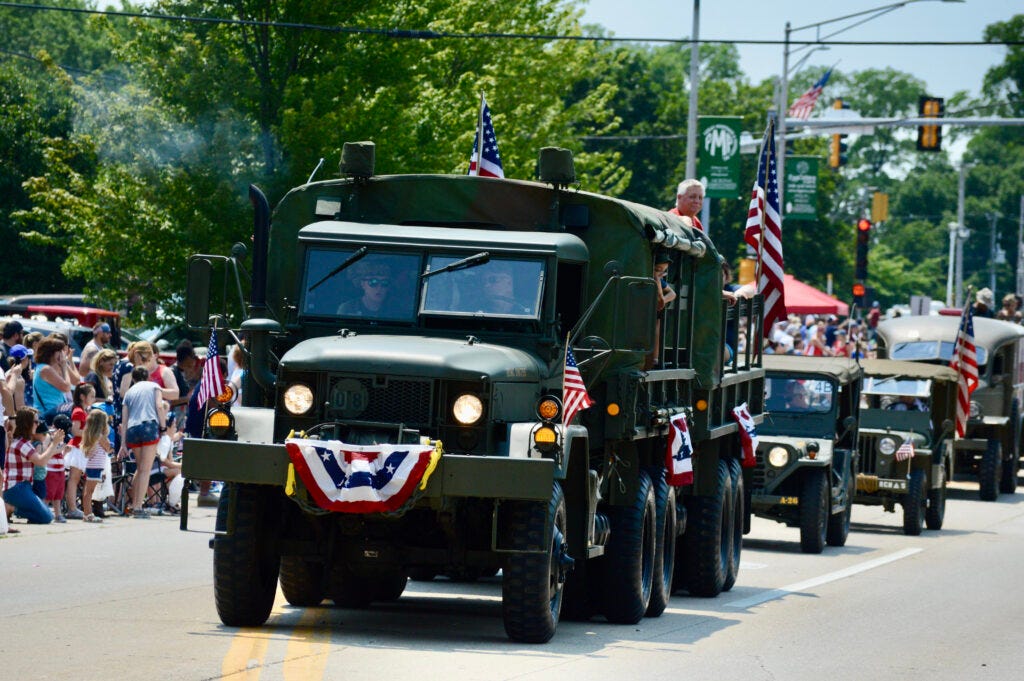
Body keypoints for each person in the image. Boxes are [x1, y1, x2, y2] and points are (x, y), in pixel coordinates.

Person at [3, 407, 65, 524]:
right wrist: (54, 444)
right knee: (46, 517)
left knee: (45, 515)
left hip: (20, 487)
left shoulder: (22, 442)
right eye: (36, 422)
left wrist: (54, 446)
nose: (38, 424)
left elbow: (41, 460)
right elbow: (41, 462)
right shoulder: (22, 443)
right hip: (17, 488)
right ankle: (11, 507)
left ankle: (12, 507)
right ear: (27, 423)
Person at [119, 366, 166, 518]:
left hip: (133, 429)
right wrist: (163, 427)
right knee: (146, 469)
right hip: (148, 425)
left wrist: (123, 444)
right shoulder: (154, 386)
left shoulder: (129, 393)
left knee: (140, 469)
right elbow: (159, 406)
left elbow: (124, 420)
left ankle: (132, 503)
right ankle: (138, 507)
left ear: (133, 378)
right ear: (148, 377)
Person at [64, 383, 95, 520]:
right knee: (73, 479)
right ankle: (72, 508)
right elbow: (75, 430)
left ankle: (73, 507)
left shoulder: (83, 411)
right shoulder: (79, 411)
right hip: (76, 448)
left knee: (75, 479)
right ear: (83, 397)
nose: (94, 399)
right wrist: (91, 434)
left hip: (80, 448)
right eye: (92, 396)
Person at [32, 337, 77, 423]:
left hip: (54, 412)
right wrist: (64, 365)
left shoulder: (46, 368)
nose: (63, 354)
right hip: (48, 413)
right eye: (60, 351)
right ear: (50, 352)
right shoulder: (46, 369)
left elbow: (75, 380)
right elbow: (66, 387)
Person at [79, 409, 112, 523]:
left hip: (93, 465)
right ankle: (88, 514)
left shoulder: (92, 435)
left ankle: (87, 513)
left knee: (88, 491)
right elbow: (108, 447)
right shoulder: (100, 436)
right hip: (95, 466)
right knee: (89, 492)